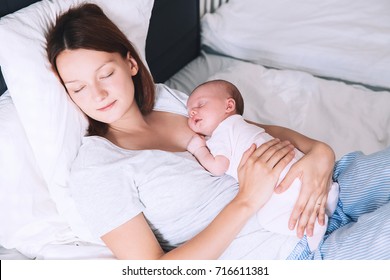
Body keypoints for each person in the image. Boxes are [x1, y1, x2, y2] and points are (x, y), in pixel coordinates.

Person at [45, 3, 390, 260]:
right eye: (78, 88)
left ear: (131, 64)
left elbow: (252, 129)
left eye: (105, 74)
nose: (98, 95)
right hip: (291, 250)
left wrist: (320, 153)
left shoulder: (170, 101)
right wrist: (247, 200)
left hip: (330, 184)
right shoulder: (96, 168)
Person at [186, 79, 339, 251]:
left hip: (279, 185)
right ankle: (331, 194)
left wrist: (199, 149)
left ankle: (315, 226)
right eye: (189, 111)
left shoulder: (219, 134)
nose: (192, 111)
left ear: (229, 106)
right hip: (300, 167)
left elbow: (218, 166)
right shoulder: (242, 125)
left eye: (200, 104)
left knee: (267, 219)